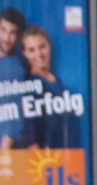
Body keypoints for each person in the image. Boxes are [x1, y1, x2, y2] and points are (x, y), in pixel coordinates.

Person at [17, 24, 87, 154]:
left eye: (42, 47)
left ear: (49, 45)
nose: (39, 54)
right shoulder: (30, 87)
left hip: (66, 158)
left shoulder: (57, 81)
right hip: (48, 164)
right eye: (32, 50)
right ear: (25, 53)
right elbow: (32, 141)